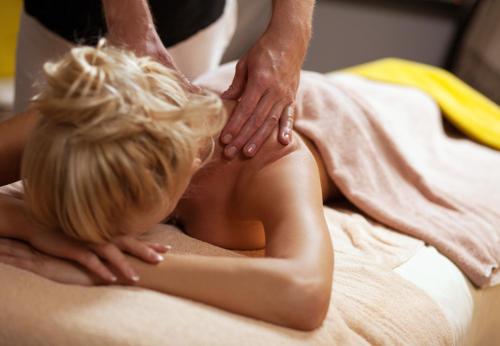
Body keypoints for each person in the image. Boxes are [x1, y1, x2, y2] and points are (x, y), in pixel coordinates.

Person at [0, 43, 334, 330]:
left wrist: (116, 267)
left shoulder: (271, 160)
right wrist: (30, 225)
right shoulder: (81, 118)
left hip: (350, 115)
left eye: (108, 235)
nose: (87, 243)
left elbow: (304, 291)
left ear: (189, 164)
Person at [15, 0, 315, 158]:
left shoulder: (267, 159)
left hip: (189, 18)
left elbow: (300, 276)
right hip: (63, 17)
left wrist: (291, 33)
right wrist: (127, 17)